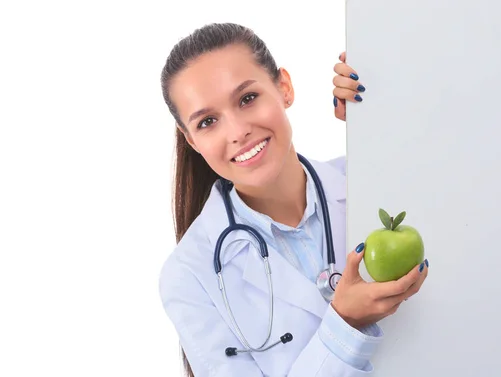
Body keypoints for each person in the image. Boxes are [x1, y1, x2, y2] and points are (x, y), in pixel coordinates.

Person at [158, 22, 429, 377]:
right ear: (191, 140)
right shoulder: (189, 275)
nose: (238, 132)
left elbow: (466, 183)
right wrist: (343, 323)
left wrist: (381, 119)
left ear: (284, 87)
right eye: (208, 121)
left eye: (247, 98)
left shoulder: (370, 182)